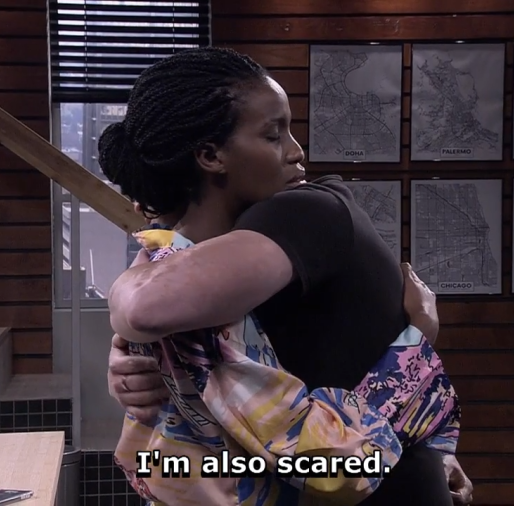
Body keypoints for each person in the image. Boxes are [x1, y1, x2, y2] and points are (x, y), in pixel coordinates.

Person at [102, 47, 473, 506]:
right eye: (273, 134)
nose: (297, 151)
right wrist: (135, 365)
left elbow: (146, 306)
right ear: (211, 155)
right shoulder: (203, 258)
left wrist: (416, 349)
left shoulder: (308, 208)